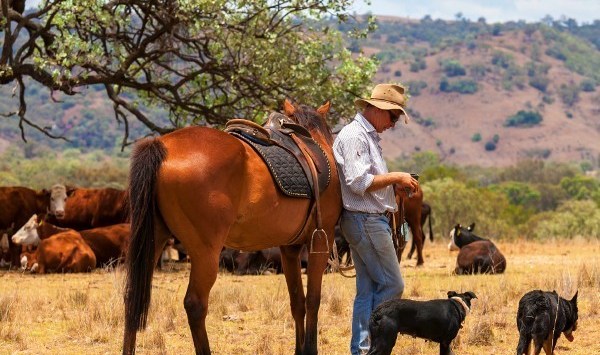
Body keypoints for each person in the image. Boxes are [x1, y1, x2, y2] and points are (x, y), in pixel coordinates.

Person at [333, 83, 419, 355]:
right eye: (393, 116)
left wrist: (392, 185)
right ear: (378, 109)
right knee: (393, 284)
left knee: (367, 289)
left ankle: (361, 349)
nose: (394, 123)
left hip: (364, 220)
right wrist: (397, 177)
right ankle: (373, 347)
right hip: (366, 221)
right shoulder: (355, 136)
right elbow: (358, 182)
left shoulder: (365, 137)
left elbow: (365, 181)